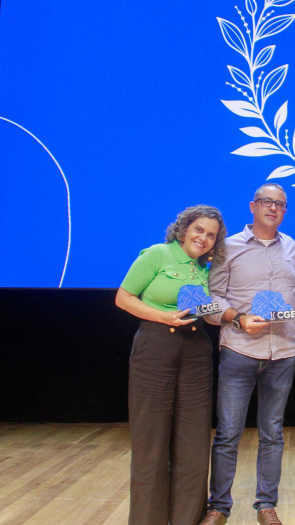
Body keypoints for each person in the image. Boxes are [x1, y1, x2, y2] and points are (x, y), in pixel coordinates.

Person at [115, 205, 227, 525]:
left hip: (196, 352)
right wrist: (163, 316)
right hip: (155, 348)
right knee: (151, 443)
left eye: (211, 235)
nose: (203, 238)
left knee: (193, 445)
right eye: (198, 230)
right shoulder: (157, 254)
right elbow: (123, 298)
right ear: (183, 229)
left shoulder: (206, 268)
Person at [199, 184, 295, 525]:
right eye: (266, 202)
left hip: (283, 352)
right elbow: (212, 301)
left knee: (272, 433)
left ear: (285, 211)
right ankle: (219, 507)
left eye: (280, 204)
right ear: (253, 206)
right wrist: (239, 319)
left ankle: (266, 506)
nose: (273, 208)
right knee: (228, 433)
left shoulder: (292, 248)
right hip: (239, 350)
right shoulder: (227, 248)